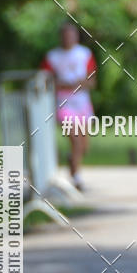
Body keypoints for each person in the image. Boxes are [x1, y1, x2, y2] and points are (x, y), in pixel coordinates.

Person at [40, 21, 97, 191]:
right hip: (63, 104)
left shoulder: (84, 54)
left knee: (84, 145)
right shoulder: (52, 57)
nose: (68, 39)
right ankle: (76, 178)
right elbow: (46, 81)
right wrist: (66, 85)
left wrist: (77, 84)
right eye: (65, 35)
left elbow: (92, 81)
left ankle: (73, 160)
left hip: (82, 103)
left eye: (71, 35)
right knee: (76, 140)